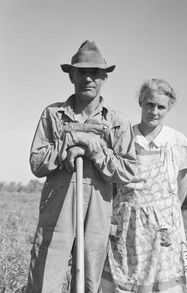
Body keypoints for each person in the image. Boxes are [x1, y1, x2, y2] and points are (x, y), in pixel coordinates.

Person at [25, 40, 137, 293]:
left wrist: (95, 150)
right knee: (47, 269)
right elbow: (37, 163)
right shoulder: (53, 114)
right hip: (59, 202)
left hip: (99, 204)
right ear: (71, 75)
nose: (88, 78)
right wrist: (70, 140)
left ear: (104, 78)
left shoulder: (117, 121)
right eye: (82, 72)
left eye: (95, 73)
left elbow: (128, 171)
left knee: (90, 273)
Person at [101, 79, 187, 293]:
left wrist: (167, 214)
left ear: (168, 108)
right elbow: (112, 179)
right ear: (141, 103)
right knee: (122, 279)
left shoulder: (175, 140)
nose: (154, 111)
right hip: (126, 221)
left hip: (162, 224)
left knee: (162, 283)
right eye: (149, 104)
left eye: (160, 107)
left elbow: (182, 182)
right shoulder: (124, 136)